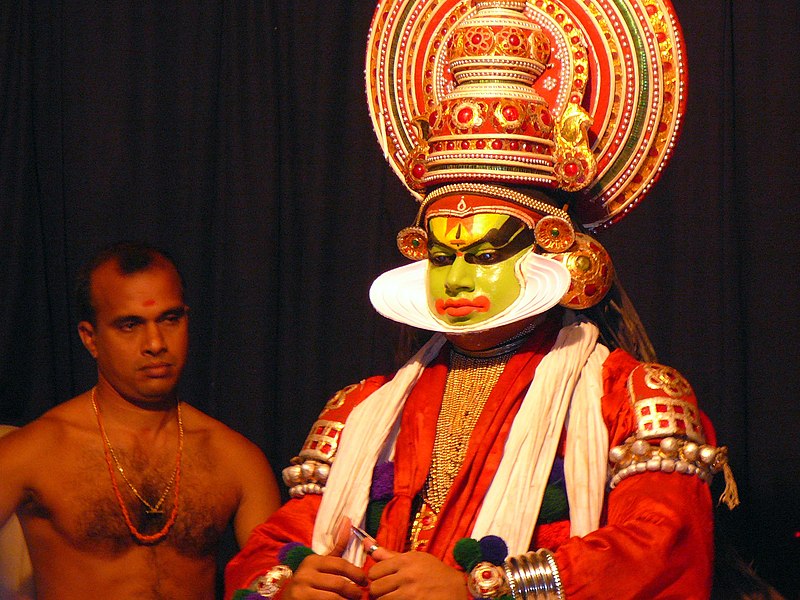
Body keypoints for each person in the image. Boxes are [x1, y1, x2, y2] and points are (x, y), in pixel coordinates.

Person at [225, 0, 738, 598]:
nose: (459, 280)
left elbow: (659, 551)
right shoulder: (359, 412)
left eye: (487, 253)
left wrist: (483, 590)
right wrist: (287, 584)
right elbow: (272, 546)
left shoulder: (630, 397)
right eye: (442, 255)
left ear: (553, 248)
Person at [0, 241, 281, 599]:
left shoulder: (236, 459)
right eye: (130, 325)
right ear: (90, 338)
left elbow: (275, 579)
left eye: (170, 319)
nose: (155, 343)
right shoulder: (35, 452)